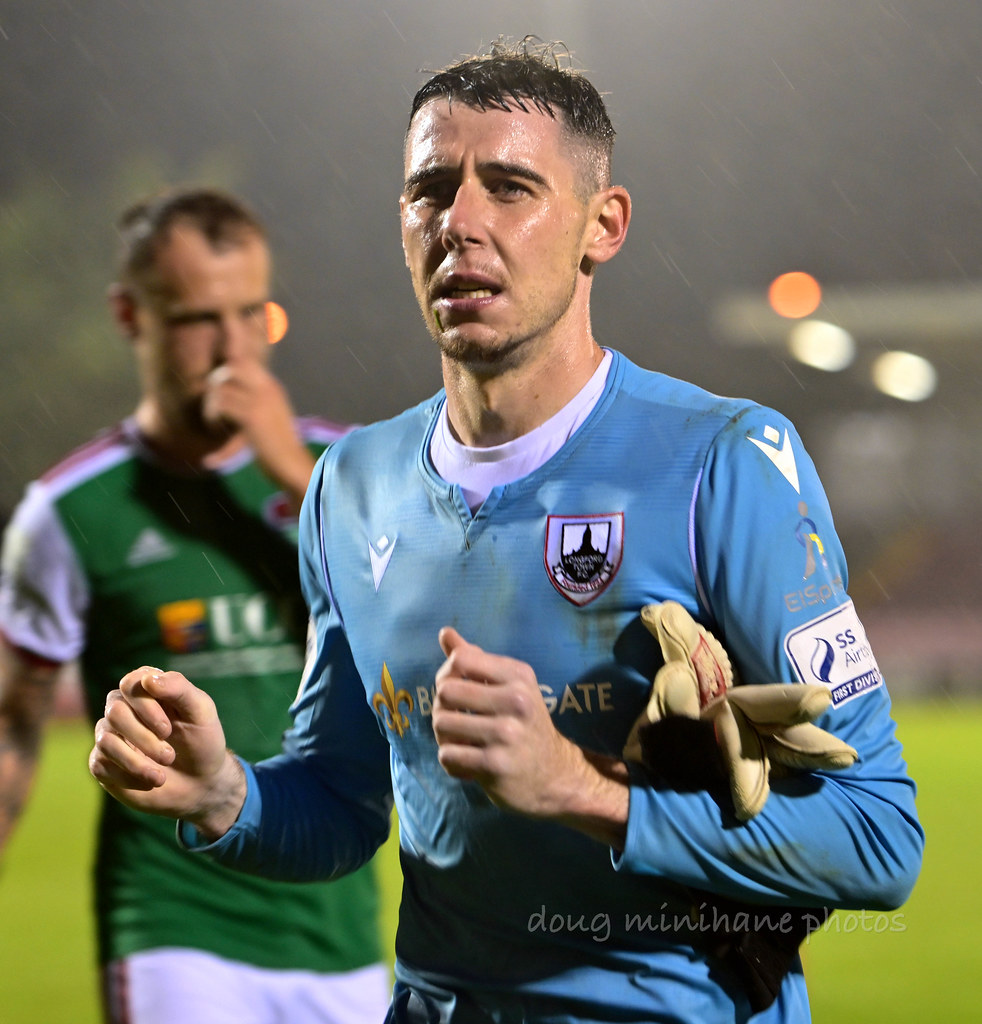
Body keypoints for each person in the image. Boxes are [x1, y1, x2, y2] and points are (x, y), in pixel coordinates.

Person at [88, 43, 924, 1024]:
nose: (461, 222)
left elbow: (880, 839)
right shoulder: (351, 487)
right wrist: (223, 793)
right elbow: (341, 802)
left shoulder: (724, 462)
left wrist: (583, 789)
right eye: (431, 190)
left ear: (602, 225)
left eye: (511, 187)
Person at [0, 187, 390, 1023]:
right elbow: (14, 730)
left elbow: (428, 612)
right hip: (173, 926)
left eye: (252, 313)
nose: (233, 348)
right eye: (198, 319)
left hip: (341, 921)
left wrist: (291, 472)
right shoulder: (70, 512)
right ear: (130, 316)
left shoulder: (349, 469)